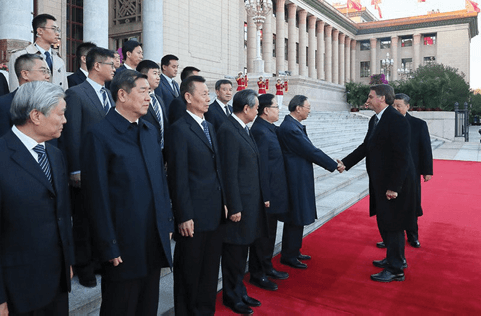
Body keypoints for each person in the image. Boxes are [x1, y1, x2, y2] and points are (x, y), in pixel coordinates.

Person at [81, 70, 174, 315]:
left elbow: (160, 183)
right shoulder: (98, 135)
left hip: (152, 238)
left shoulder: (149, 131)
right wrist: (108, 244)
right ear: (122, 95)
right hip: (122, 244)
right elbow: (96, 198)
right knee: (120, 306)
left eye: (150, 92)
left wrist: (166, 222)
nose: (148, 98)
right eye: (142, 91)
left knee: (147, 305)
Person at [0, 81, 73, 315]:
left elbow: (63, 213)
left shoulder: (54, 154)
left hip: (56, 282)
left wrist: (67, 261)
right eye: (60, 113)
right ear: (36, 115)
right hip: (18, 289)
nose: (65, 120)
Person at [339, 84, 417, 282]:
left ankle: (396, 269)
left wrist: (394, 187)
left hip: (393, 185)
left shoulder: (397, 121)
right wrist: (345, 163)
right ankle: (393, 258)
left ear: (382, 98)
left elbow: (402, 157)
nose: (368, 100)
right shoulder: (375, 120)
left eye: (371, 96)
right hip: (380, 182)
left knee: (394, 225)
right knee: (386, 222)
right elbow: (366, 146)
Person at [166, 75, 226, 315]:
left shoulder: (209, 126)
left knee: (210, 271)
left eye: (208, 94)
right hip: (193, 216)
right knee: (189, 272)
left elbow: (217, 168)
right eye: (203, 94)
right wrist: (183, 215)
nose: (208, 98)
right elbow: (178, 177)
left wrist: (224, 202)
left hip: (214, 212)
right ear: (188, 97)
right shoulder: (179, 129)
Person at [59, 47, 116, 288]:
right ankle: (84, 266)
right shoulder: (76, 93)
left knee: (102, 215)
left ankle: (100, 259)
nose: (114, 68)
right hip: (85, 168)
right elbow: (71, 134)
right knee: (83, 218)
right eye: (111, 64)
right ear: (96, 66)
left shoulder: (110, 94)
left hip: (108, 168)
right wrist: (75, 169)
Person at [217, 89, 268, 315]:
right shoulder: (228, 130)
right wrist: (234, 205)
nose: (258, 111)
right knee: (234, 255)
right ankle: (231, 295)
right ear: (246, 109)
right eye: (256, 107)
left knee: (242, 253)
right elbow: (228, 172)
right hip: (239, 207)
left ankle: (240, 290)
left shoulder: (242, 129)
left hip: (250, 204)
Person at [277, 95, 339, 269]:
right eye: (307, 107)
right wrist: (333, 165)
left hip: (299, 176)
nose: (309, 110)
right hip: (294, 178)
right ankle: (288, 255)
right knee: (295, 216)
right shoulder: (290, 128)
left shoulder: (293, 125)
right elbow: (311, 151)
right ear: (298, 108)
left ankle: (294, 251)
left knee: (298, 215)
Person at [379, 93, 432, 248]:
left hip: (411, 173)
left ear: (408, 107)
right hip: (392, 173)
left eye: (399, 106)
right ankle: (391, 238)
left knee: (411, 206)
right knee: (391, 208)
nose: (395, 109)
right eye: (393, 106)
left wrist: (427, 170)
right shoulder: (385, 123)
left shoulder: (418, 124)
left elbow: (426, 149)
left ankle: (412, 236)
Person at [249, 93, 290, 289]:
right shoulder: (260, 131)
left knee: (270, 233)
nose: (278, 110)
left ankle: (267, 266)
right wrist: (265, 195)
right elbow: (262, 167)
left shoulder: (270, 129)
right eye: (275, 107)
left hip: (275, 192)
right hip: (267, 195)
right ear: (266, 110)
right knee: (262, 236)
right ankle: (257, 273)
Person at [8, 14, 68, 91]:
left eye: (58, 30)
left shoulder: (59, 61)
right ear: (40, 31)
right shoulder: (19, 56)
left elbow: (65, 90)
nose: (57, 34)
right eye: (53, 29)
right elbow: (15, 90)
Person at [0, 54, 51, 137]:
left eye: (48, 72)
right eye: (43, 71)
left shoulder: (52, 103)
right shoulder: (4, 104)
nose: (47, 76)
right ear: (25, 74)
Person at [136, 60, 169, 150]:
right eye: (155, 73)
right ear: (143, 75)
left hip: (161, 151)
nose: (158, 77)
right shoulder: (137, 99)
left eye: (158, 74)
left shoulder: (159, 99)